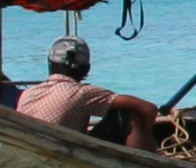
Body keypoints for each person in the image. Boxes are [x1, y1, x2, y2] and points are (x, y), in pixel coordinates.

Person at [15, 35, 158, 145]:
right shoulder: (83, 93)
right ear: (87, 68)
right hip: (65, 153)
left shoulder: (28, 93)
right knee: (128, 114)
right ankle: (150, 164)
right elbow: (149, 109)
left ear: (50, 64)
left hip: (33, 148)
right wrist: (147, 134)